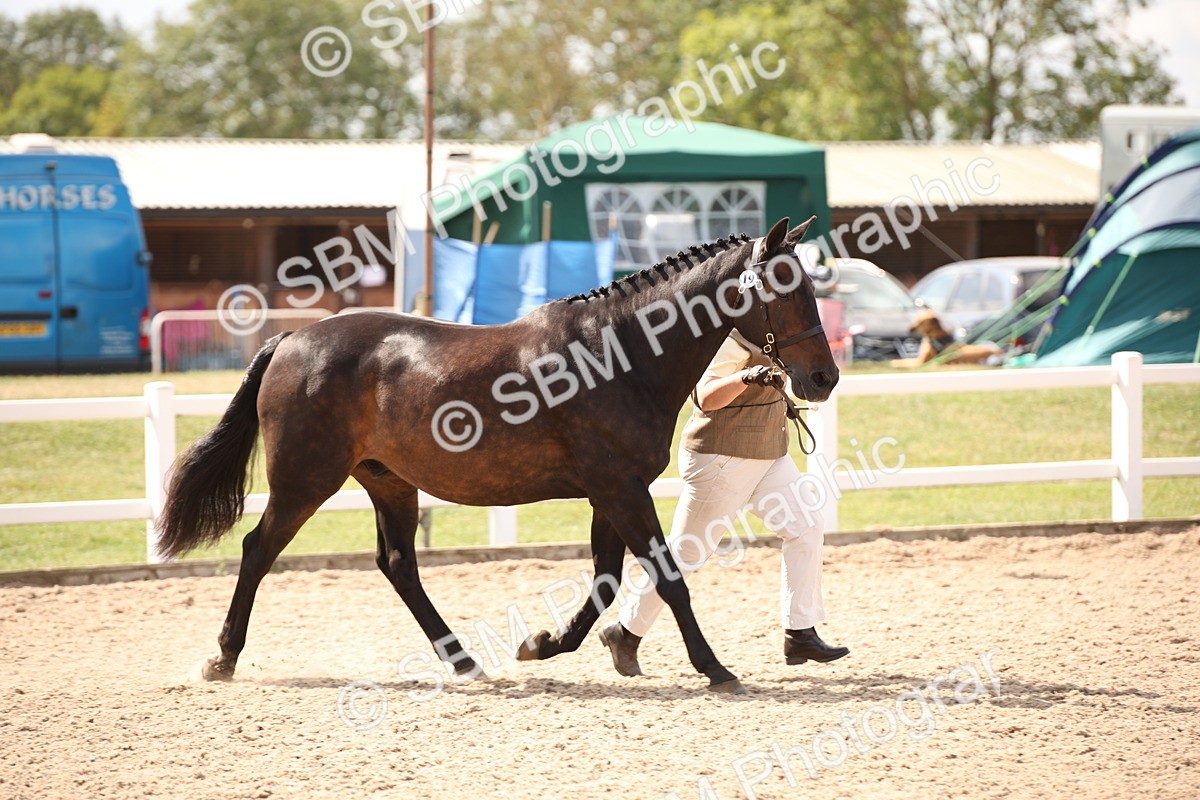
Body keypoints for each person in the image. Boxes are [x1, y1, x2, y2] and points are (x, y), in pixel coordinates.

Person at [598, 332, 848, 676]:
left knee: (806, 526)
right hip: (722, 458)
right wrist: (747, 376)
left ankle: (800, 632)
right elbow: (705, 395)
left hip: (769, 453)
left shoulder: (782, 334)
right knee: (687, 553)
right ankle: (624, 632)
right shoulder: (731, 339)